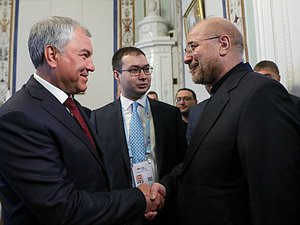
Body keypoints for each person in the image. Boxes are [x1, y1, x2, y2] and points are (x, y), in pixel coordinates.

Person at [0, 16, 165, 225]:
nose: (92, 66)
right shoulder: (19, 117)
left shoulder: (73, 106)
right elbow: (62, 208)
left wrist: (131, 209)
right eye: (84, 55)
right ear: (52, 55)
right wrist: (138, 199)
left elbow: (93, 181)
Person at [160, 17, 300, 225]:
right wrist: (165, 186)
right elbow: (204, 163)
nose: (186, 58)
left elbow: (275, 194)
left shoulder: (261, 93)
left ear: (223, 44)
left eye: (192, 47)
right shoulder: (220, 94)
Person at [91, 46, 187, 224]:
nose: (143, 76)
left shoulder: (170, 115)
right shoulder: (98, 118)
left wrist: (164, 188)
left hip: (165, 208)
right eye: (134, 70)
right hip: (121, 212)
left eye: (146, 69)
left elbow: (183, 161)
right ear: (116, 75)